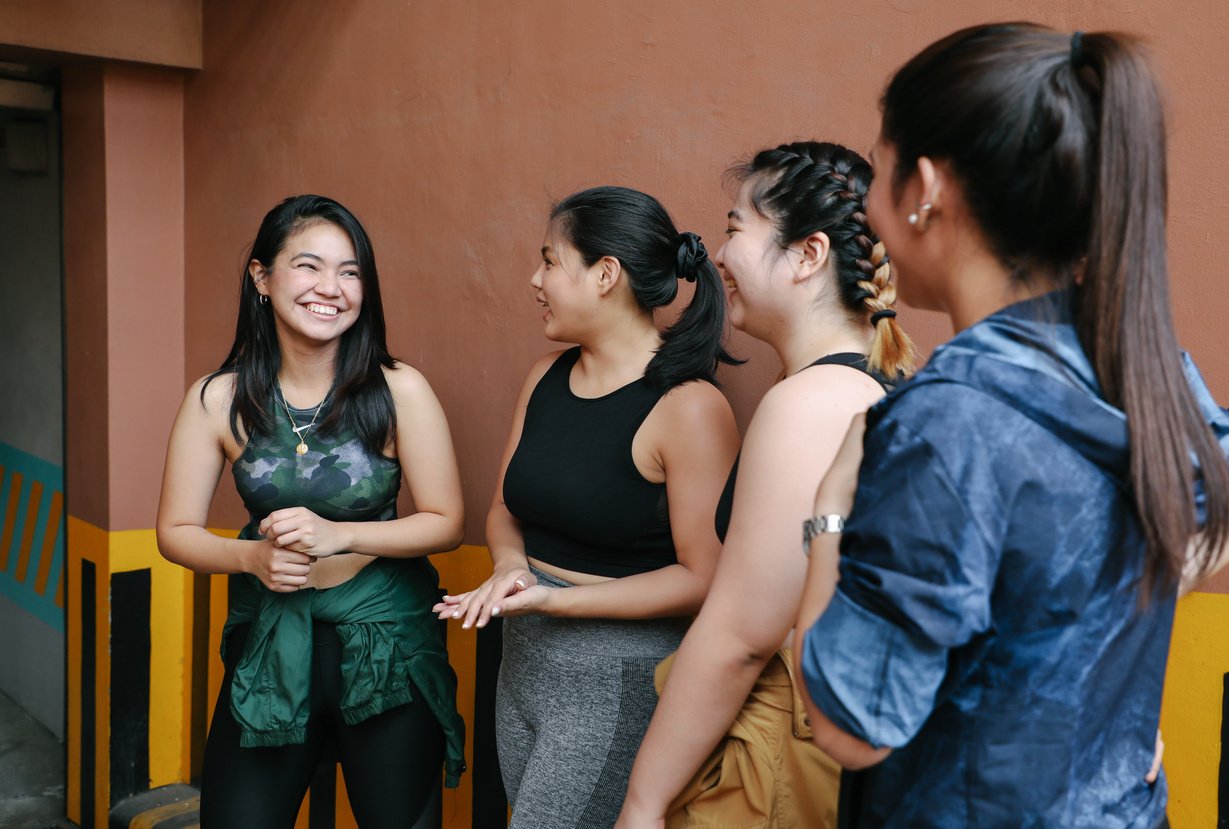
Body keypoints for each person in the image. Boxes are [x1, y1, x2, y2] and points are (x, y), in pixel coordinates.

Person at [792, 24, 1229, 828]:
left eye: (881, 160)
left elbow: (847, 724)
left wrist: (829, 508)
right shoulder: (1149, 367)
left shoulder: (948, 423)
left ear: (926, 186)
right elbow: (1223, 492)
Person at [615, 142, 914, 829]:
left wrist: (644, 801)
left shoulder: (810, 402)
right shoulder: (868, 382)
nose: (718, 257)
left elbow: (744, 635)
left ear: (807, 255)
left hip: (781, 755)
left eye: (734, 230)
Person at [156, 195, 467, 829]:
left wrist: (338, 534)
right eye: (309, 266)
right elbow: (174, 531)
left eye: (350, 272)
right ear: (262, 278)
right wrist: (251, 557)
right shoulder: (219, 398)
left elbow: (446, 521)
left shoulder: (398, 388)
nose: (332, 288)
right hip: (269, 645)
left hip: (386, 645)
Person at [434, 186, 740, 828]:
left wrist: (553, 599)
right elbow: (503, 510)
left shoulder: (688, 406)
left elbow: (706, 578)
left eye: (549, 260)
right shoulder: (546, 375)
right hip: (523, 657)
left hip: (614, 676)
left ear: (606, 274)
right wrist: (512, 567)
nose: (534, 279)